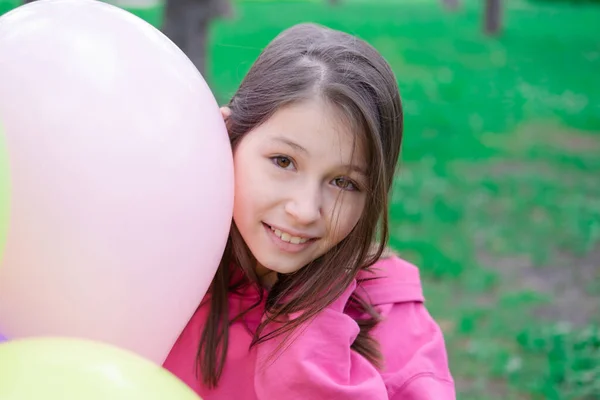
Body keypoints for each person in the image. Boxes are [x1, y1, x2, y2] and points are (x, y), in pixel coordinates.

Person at [163, 23, 455, 399]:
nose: (304, 211)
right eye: (283, 161)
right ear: (227, 136)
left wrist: (313, 317)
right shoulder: (162, 267)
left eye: (344, 183)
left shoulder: (393, 318)